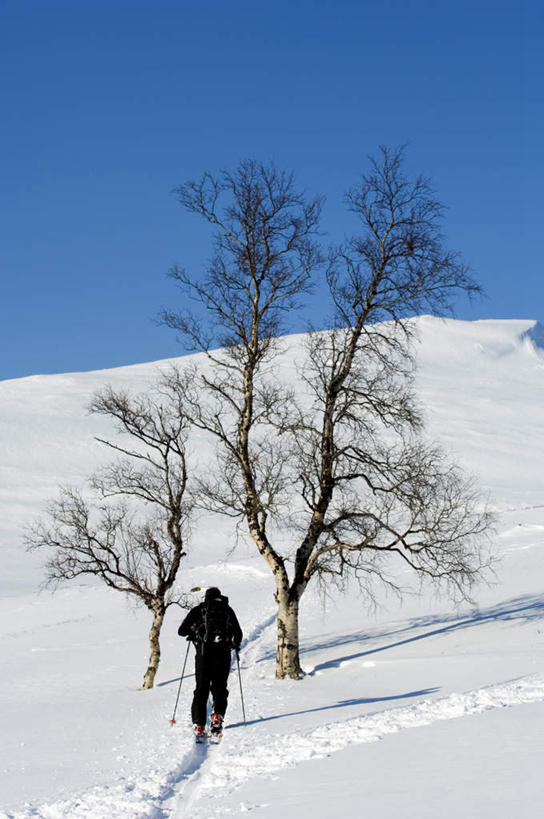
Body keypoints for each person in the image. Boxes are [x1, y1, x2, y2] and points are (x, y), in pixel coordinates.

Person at [178, 586, 243, 740]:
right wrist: (234, 644)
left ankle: (199, 724)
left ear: (206, 598)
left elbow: (181, 631)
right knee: (220, 687)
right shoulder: (227, 610)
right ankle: (217, 718)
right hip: (223, 653)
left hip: (203, 654)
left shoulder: (200, 610)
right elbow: (238, 633)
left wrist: (193, 630)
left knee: (201, 688)